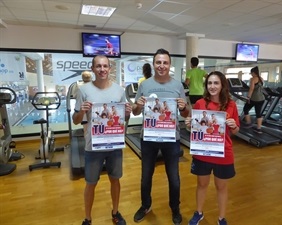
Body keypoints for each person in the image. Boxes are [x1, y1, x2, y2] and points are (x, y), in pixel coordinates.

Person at [132, 48, 190, 225]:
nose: (161, 66)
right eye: (158, 62)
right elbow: (134, 111)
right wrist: (138, 105)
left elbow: (188, 113)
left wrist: (183, 107)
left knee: (173, 177)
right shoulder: (144, 84)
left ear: (169, 65)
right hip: (149, 137)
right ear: (154, 64)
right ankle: (145, 205)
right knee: (146, 176)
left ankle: (175, 207)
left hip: (171, 138)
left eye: (165, 62)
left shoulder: (178, 86)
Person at [72, 55, 132, 225]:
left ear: (110, 68)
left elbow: (124, 120)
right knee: (91, 183)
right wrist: (82, 111)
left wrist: (127, 113)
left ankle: (115, 212)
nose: (102, 69)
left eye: (105, 66)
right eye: (98, 66)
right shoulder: (83, 90)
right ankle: (88, 218)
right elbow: (76, 120)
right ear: (93, 69)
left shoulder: (120, 91)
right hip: (93, 146)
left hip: (114, 145)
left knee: (115, 179)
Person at [185, 71, 240, 225]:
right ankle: (199, 213)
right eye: (209, 83)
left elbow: (235, 131)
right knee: (202, 184)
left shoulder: (231, 105)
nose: (212, 86)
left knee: (221, 186)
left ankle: (221, 218)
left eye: (216, 83)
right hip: (202, 152)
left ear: (222, 85)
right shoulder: (200, 104)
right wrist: (189, 125)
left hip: (223, 153)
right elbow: (195, 128)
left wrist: (234, 125)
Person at [243, 66, 265, 133]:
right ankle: (259, 129)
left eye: (251, 73)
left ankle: (249, 123)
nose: (251, 74)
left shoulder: (253, 79)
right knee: (258, 113)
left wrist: (248, 97)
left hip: (254, 99)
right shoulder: (261, 78)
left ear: (253, 72)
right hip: (262, 98)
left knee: (245, 109)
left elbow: (251, 89)